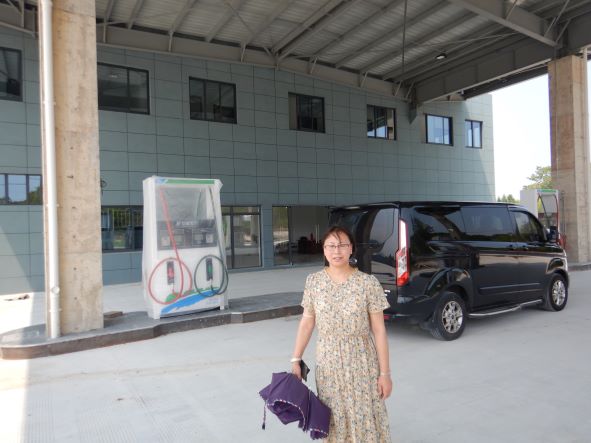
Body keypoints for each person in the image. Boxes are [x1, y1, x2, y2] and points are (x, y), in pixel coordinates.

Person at [290, 226, 393, 442]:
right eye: (331, 246)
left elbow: (379, 330)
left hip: (362, 361)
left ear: (351, 248)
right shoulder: (314, 281)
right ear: (324, 250)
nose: (336, 251)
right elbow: (307, 322)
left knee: (364, 412)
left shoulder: (367, 283)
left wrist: (385, 374)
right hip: (328, 363)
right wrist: (296, 358)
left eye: (342, 245)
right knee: (333, 414)